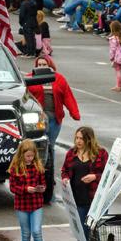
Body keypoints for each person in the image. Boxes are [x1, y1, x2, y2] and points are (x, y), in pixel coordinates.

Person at [26, 55, 79, 203]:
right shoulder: (30, 78)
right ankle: (36, 173)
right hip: (38, 119)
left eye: (45, 64)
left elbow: (68, 96)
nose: (42, 67)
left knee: (50, 146)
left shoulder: (59, 79)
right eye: (39, 64)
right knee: (38, 146)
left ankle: (49, 174)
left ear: (50, 66)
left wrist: (74, 113)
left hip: (55, 119)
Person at [61, 126, 107, 241]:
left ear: (89, 139)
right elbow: (64, 170)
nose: (78, 141)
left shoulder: (101, 153)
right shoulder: (71, 153)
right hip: (77, 198)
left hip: (95, 199)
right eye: (76, 138)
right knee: (81, 230)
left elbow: (108, 174)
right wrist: (65, 178)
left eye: (81, 138)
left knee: (94, 230)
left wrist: (94, 176)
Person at [8, 140, 48, 241]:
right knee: (26, 234)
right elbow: (12, 187)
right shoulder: (15, 168)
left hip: (36, 204)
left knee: (37, 231)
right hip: (22, 205)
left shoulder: (38, 167)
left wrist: (42, 188)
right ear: (21, 155)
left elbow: (43, 183)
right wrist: (25, 189)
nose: (30, 158)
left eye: (32, 156)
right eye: (27, 156)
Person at [107, 20, 121, 91]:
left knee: (118, 71)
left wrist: (111, 57)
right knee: (119, 70)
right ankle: (119, 85)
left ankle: (119, 86)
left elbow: (113, 49)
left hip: (116, 56)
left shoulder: (113, 39)